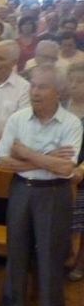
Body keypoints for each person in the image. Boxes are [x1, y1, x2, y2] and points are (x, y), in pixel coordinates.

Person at [0, 65, 82, 306]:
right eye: (33, 86)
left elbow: (66, 169)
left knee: (51, 256)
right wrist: (47, 157)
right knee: (16, 250)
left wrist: (26, 152)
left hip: (54, 194)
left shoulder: (71, 123)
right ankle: (12, 305)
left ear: (60, 92)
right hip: (21, 189)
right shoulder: (18, 118)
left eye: (43, 87)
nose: (35, 92)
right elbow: (3, 161)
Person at [64, 62, 84, 282]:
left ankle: (80, 262)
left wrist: (81, 168)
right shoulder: (61, 106)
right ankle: (66, 256)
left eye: (80, 81)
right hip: (60, 173)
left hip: (81, 174)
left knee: (82, 222)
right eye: (72, 80)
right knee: (65, 221)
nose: (75, 85)